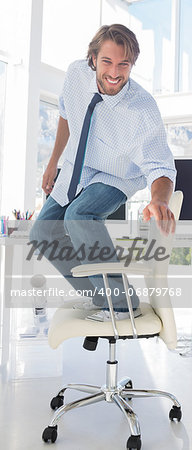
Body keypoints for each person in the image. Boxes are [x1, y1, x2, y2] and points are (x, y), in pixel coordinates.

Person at [30, 24, 176, 321]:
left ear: (132, 64)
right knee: (42, 232)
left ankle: (122, 304)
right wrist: (52, 162)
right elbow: (66, 115)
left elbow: (161, 165)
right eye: (107, 61)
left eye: (124, 64)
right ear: (93, 58)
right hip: (75, 169)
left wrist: (159, 200)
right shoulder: (75, 74)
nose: (115, 72)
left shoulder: (142, 108)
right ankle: (100, 296)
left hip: (116, 174)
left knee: (79, 214)